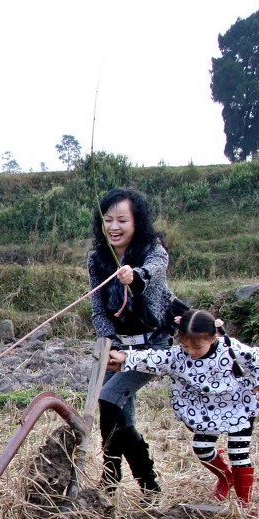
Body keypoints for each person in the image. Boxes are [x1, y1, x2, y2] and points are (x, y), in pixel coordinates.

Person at [107, 309, 259, 507]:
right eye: (186, 345)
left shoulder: (229, 349)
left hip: (237, 406)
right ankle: (225, 477)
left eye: (197, 346)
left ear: (212, 339)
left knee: (239, 453)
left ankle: (243, 504)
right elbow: (154, 358)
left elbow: (255, 359)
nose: (191, 351)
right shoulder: (178, 356)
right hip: (206, 410)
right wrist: (125, 358)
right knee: (202, 448)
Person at [88, 187, 175, 499]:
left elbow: (151, 274)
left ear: (136, 222)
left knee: (110, 399)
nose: (114, 226)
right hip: (118, 347)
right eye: (108, 220)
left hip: (153, 346)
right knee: (113, 410)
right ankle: (126, 485)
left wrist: (134, 276)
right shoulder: (97, 259)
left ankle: (137, 481)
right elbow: (98, 309)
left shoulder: (153, 250)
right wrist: (109, 344)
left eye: (121, 220)